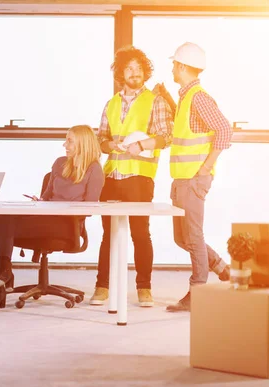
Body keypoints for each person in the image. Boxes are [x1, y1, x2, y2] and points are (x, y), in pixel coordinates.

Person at [0, 125, 104, 310]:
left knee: (6, 227)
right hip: (45, 218)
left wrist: (61, 209)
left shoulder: (94, 170)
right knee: (4, 216)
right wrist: (39, 202)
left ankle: (0, 286)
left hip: (66, 225)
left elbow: (89, 208)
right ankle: (4, 271)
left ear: (83, 144)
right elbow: (46, 196)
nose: (64, 144)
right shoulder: (60, 163)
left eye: (70, 141)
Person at [91, 46, 174, 308]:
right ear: (121, 72)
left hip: (139, 176)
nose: (134, 73)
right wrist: (110, 144)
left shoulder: (155, 101)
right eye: (129, 68)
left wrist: (143, 145)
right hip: (111, 176)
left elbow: (166, 136)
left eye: (139, 68)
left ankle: (144, 288)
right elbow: (100, 140)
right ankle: (102, 286)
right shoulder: (111, 104)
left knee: (140, 233)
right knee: (109, 235)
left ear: (145, 72)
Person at [158, 42, 232, 312]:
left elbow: (224, 131)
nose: (171, 69)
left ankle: (197, 292)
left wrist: (204, 169)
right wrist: (167, 97)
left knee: (193, 236)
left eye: (173, 65)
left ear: (180, 66)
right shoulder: (186, 98)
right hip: (181, 180)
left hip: (192, 180)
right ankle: (223, 269)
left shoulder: (199, 97)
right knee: (184, 239)